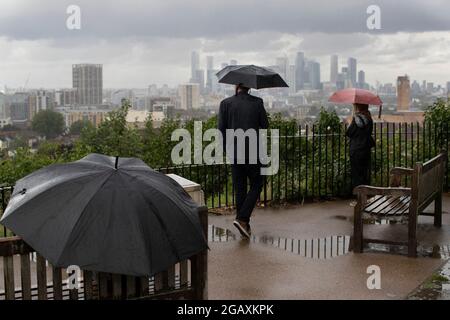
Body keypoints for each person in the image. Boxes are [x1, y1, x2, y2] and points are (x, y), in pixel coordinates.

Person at [218, 84, 269, 238]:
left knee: (240, 188)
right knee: (257, 184)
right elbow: (265, 125)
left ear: (236, 86)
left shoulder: (225, 104)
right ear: (249, 87)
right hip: (253, 151)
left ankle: (243, 223)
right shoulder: (257, 102)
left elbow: (221, 129)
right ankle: (242, 219)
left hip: (235, 152)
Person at [345, 103, 375, 192]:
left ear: (358, 107)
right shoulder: (369, 119)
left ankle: (359, 198)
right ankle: (365, 196)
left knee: (356, 175)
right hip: (366, 149)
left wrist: (350, 122)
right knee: (364, 173)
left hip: (356, 150)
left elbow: (349, 133)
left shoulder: (356, 119)